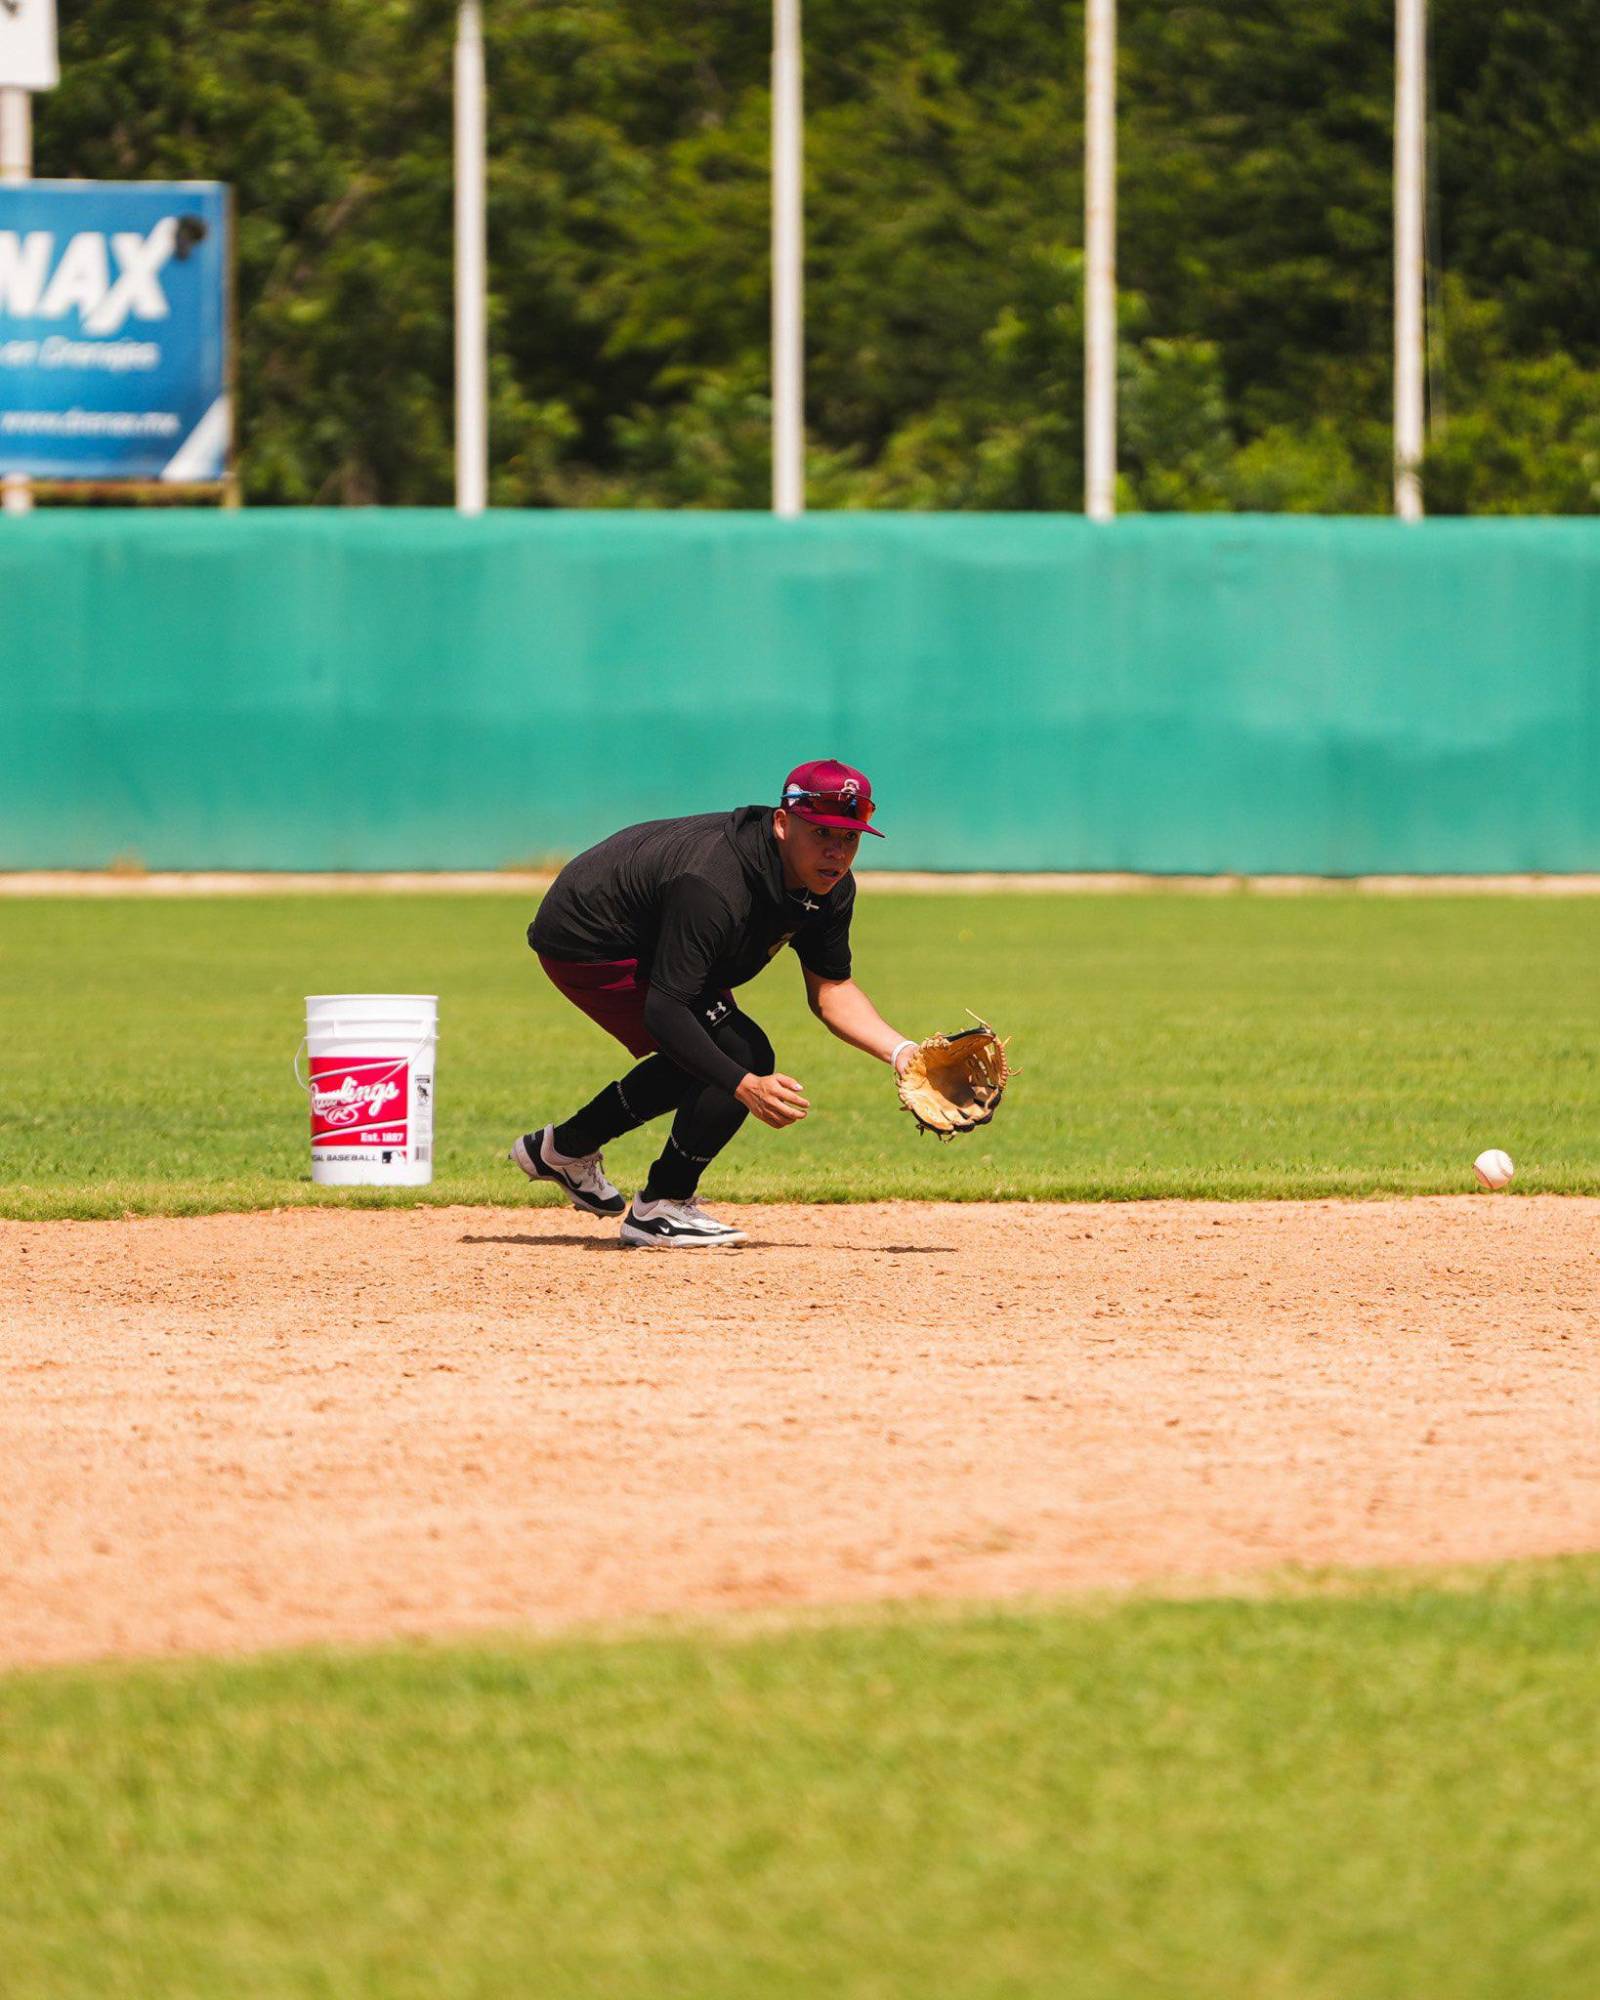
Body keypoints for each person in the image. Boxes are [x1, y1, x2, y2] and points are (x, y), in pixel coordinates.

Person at [513, 759, 918, 1247]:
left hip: (646, 931)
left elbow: (831, 991)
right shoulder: (715, 883)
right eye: (822, 834)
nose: (837, 852)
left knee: (711, 1052)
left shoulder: (829, 888)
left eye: (849, 838)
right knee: (739, 1055)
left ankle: (565, 1149)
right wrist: (744, 1086)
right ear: (783, 823)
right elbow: (664, 1012)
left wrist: (903, 1054)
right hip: (591, 937)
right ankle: (661, 1207)